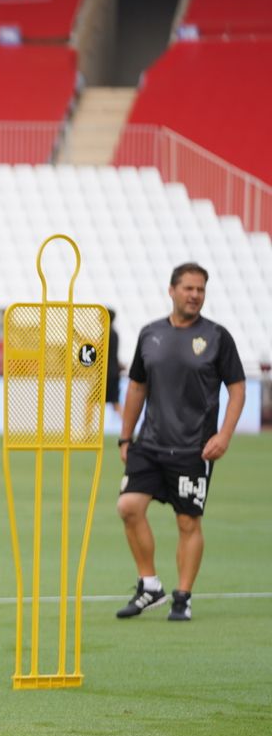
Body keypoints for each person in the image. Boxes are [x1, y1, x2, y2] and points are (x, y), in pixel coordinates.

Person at [114, 262, 245, 623]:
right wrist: (126, 436)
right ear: (171, 290)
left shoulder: (217, 337)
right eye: (188, 288)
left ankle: (182, 597)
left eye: (200, 289)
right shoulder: (150, 334)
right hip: (150, 443)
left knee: (188, 522)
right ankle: (149, 585)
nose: (195, 295)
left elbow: (237, 389)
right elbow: (137, 387)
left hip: (194, 448)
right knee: (128, 506)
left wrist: (224, 435)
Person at [104, 308, 124, 424]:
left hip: (107, 374)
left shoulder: (107, 333)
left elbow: (96, 348)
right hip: (114, 372)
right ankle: (127, 428)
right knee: (115, 403)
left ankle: (86, 431)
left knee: (90, 401)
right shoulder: (114, 333)